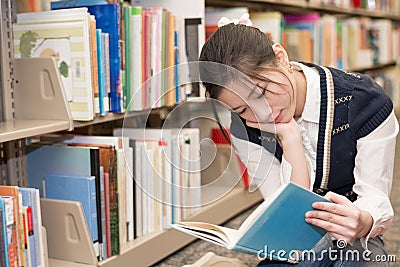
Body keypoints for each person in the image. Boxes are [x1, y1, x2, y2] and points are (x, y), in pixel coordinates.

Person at [198, 14, 399, 266]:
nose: (262, 114)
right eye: (242, 109)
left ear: (281, 57)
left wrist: (363, 220)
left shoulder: (365, 103)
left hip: (352, 238)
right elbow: (289, 220)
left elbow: (373, 196)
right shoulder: (243, 128)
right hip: (294, 245)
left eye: (261, 92)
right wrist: (291, 140)